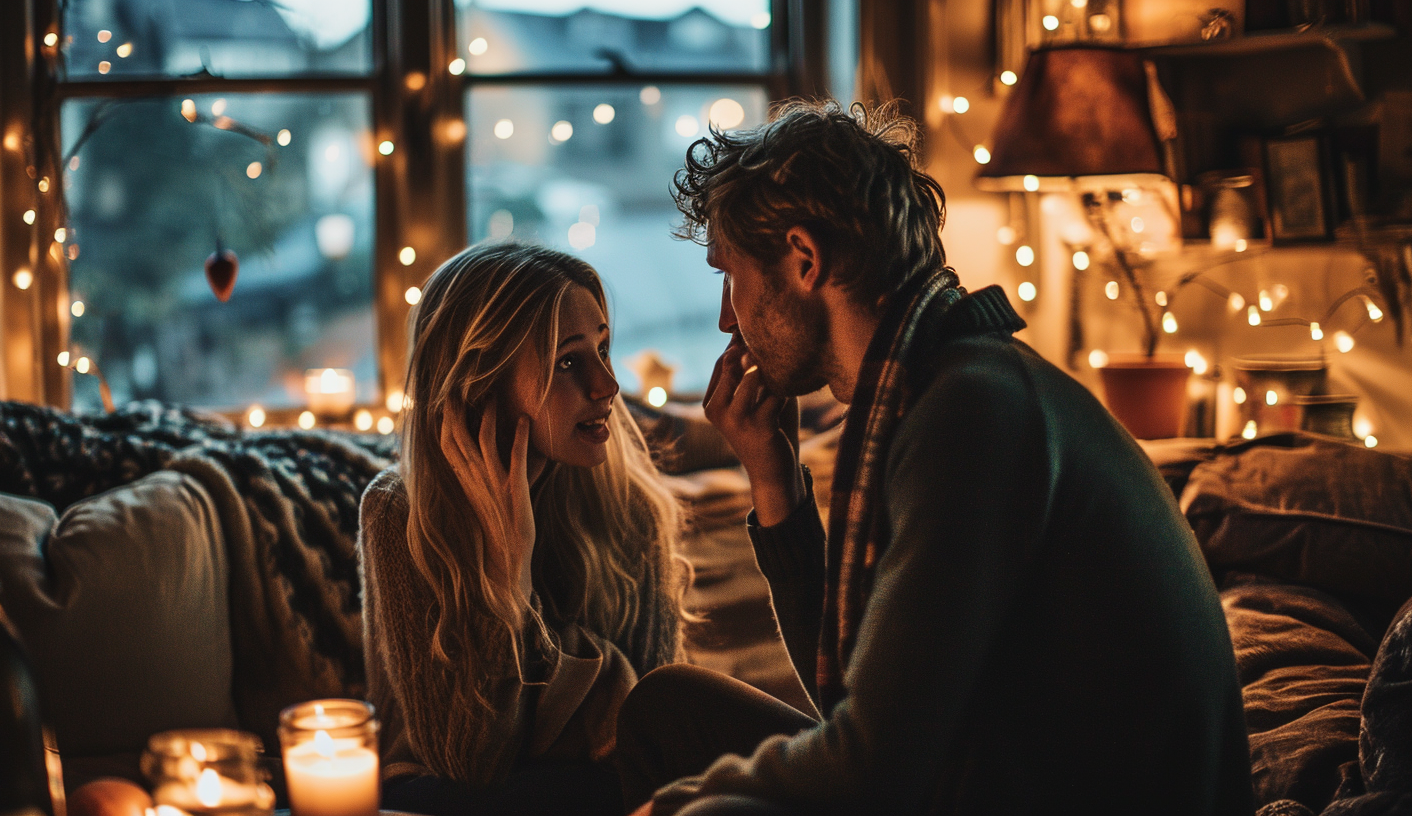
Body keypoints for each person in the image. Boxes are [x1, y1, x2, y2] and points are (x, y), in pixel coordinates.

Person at [615, 100, 1254, 815]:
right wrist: (772, 473)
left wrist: (677, 805)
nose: (727, 318)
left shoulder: (970, 414)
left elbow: (873, 766)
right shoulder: (943, 381)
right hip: (987, 775)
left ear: (803, 258)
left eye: (729, 275)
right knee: (668, 710)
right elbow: (853, 690)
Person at [357, 241, 685, 816]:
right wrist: (506, 580)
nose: (606, 386)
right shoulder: (398, 514)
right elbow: (465, 761)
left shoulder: (634, 512)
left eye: (603, 350)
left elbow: (646, 743)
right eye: (567, 361)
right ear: (481, 381)